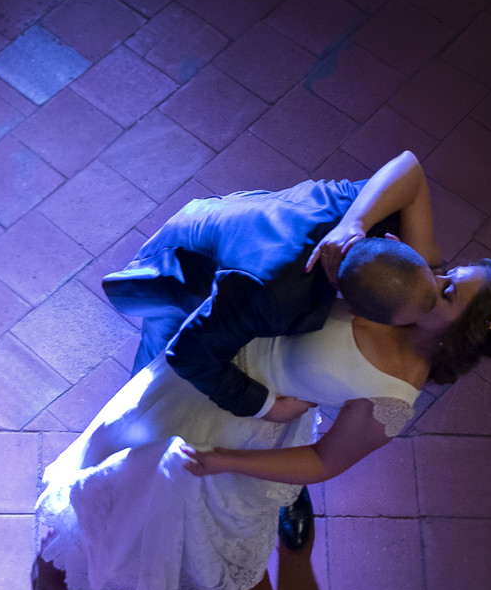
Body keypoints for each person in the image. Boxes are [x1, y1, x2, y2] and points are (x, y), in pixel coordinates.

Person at [35, 179, 491, 590]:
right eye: (451, 272)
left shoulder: (393, 394)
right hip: (222, 366)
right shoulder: (415, 275)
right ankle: (106, 540)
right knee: (126, 439)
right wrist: (353, 224)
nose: (435, 275)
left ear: (453, 337)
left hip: (249, 426)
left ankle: (135, 567)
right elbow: (410, 170)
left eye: (447, 293)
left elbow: (323, 459)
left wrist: (227, 459)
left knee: (168, 494)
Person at [101, 151, 441, 550]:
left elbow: (409, 167)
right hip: (192, 270)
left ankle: (286, 489)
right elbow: (189, 354)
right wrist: (266, 406)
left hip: (259, 270)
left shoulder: (372, 220)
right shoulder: (272, 297)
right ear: (355, 311)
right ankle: (122, 497)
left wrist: (354, 222)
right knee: (155, 392)